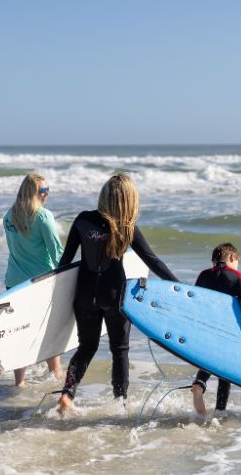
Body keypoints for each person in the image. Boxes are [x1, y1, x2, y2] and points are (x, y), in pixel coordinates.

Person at [56, 173, 179, 415]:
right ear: (129, 201)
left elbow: (64, 263)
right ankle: (119, 403)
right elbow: (153, 262)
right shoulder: (127, 228)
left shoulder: (82, 220)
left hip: (84, 295)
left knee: (86, 346)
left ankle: (67, 393)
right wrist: (180, 287)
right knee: (119, 350)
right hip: (115, 296)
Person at [3, 173, 64, 386]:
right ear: (34, 193)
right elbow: (56, 252)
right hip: (41, 283)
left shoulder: (9, 216)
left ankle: (19, 382)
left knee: (20, 331)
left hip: (14, 282)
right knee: (49, 330)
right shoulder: (43, 216)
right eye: (44, 191)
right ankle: (55, 374)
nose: (47, 195)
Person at [191, 243, 241, 415]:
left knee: (209, 360)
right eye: (237, 261)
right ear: (231, 258)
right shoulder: (235, 276)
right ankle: (220, 411)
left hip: (205, 328)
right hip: (226, 330)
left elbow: (193, 300)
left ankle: (199, 385)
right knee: (225, 370)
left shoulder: (204, 275)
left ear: (213, 260)